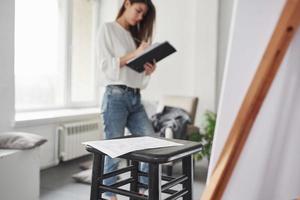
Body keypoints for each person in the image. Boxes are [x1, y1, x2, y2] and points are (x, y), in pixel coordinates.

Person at [96, 0, 156, 199]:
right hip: (115, 97)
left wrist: (148, 71)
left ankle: (140, 189)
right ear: (127, 3)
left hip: (134, 97)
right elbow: (106, 67)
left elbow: (136, 78)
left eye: (143, 15)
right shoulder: (108, 29)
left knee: (150, 141)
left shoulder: (133, 37)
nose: (139, 18)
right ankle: (108, 193)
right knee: (113, 147)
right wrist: (134, 54)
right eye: (138, 11)